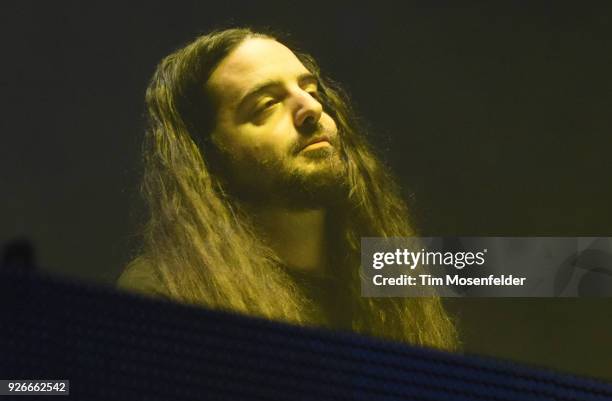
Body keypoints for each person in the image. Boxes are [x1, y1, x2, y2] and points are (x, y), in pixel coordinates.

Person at [118, 27, 458, 350]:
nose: (311, 108)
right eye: (267, 104)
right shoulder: (165, 295)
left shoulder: (388, 267)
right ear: (208, 156)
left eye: (311, 91)